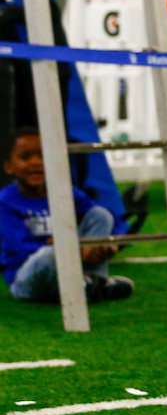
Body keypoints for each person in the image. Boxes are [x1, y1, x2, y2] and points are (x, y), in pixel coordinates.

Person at [0, 128, 132, 303]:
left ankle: (93, 280)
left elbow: (99, 218)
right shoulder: (5, 202)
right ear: (8, 167)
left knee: (101, 215)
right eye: (25, 157)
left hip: (71, 264)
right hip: (29, 277)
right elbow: (24, 248)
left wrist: (105, 243)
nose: (36, 162)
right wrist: (70, 248)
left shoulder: (66, 193)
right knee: (48, 255)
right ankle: (88, 288)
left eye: (43, 156)